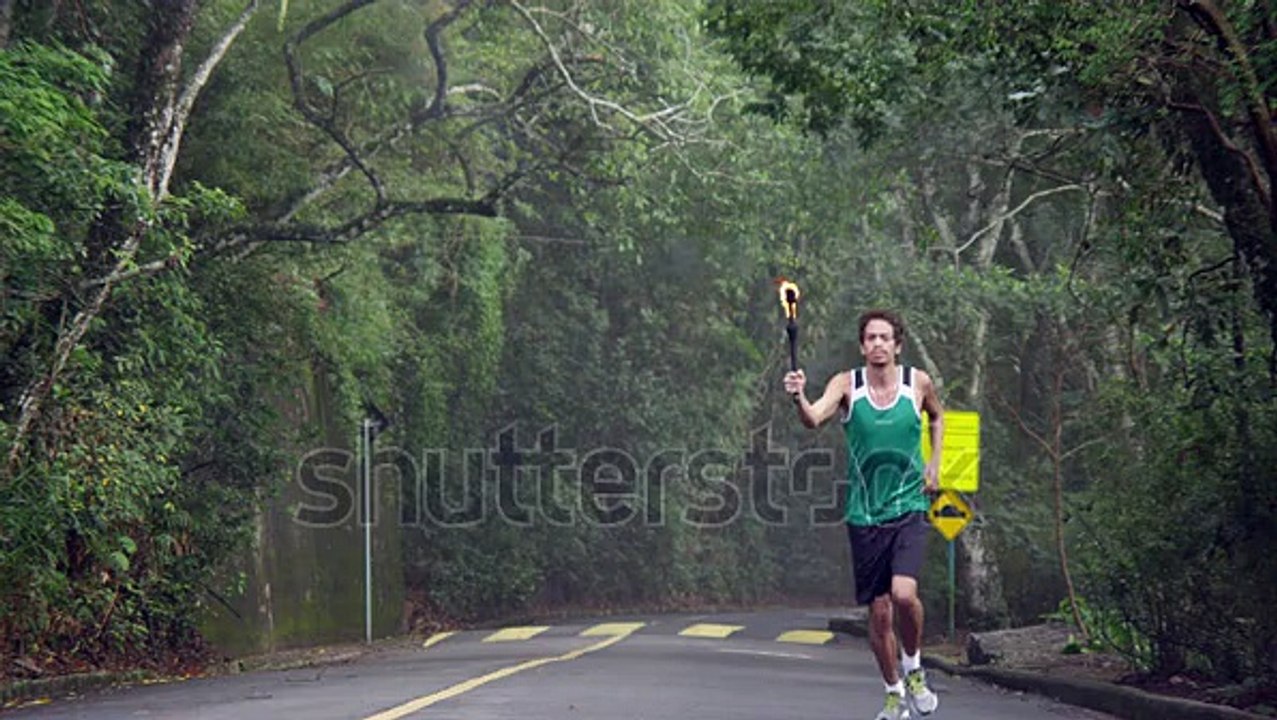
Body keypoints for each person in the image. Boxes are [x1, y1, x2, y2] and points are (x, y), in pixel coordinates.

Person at [783, 309, 943, 720]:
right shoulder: (846, 384)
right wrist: (799, 395)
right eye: (870, 338)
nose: (877, 344)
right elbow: (814, 419)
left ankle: (914, 668)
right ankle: (893, 692)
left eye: (884, 337)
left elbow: (937, 417)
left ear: (897, 345)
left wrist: (934, 464)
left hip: (909, 505)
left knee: (905, 595)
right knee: (880, 611)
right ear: (862, 345)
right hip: (865, 513)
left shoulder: (917, 383)